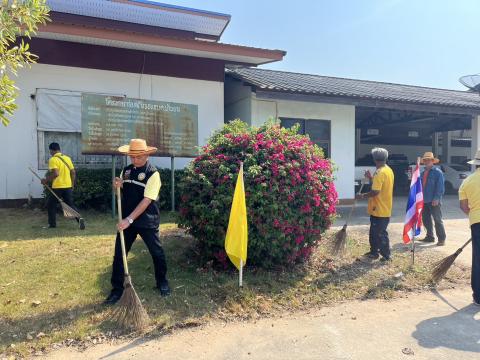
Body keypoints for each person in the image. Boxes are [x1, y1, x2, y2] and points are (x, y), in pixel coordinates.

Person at [104, 139, 170, 305]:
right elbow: (121, 192)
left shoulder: (153, 174)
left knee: (157, 253)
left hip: (146, 220)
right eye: (131, 156)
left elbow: (147, 200)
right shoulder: (126, 171)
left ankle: (162, 282)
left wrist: (129, 219)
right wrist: (117, 186)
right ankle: (117, 291)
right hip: (127, 220)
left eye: (138, 157)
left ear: (147, 154)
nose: (134, 160)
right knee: (119, 255)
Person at [356, 148, 394, 261]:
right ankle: (374, 251)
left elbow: (375, 191)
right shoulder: (388, 170)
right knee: (375, 232)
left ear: (374, 159)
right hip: (384, 207)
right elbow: (379, 186)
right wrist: (371, 178)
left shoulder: (379, 172)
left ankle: (386, 255)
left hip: (379, 208)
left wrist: (362, 196)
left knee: (379, 233)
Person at [41, 142, 85, 230]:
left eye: (50, 151)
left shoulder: (53, 159)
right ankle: (79, 218)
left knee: (51, 205)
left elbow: (56, 173)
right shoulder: (67, 158)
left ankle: (52, 224)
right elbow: (73, 172)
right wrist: (72, 184)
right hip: (68, 186)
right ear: (59, 149)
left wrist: (46, 180)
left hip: (57, 186)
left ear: (51, 150)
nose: (50, 153)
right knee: (70, 205)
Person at [458, 149, 480, 306]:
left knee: (478, 259)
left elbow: (464, 207)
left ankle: (478, 297)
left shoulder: (467, 181)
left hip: (476, 222)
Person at [418, 152, 446, 246]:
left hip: (434, 200)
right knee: (426, 219)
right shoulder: (421, 173)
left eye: (429, 160)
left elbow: (440, 187)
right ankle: (430, 236)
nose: (427, 161)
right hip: (424, 200)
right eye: (425, 160)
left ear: (432, 161)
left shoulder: (438, 172)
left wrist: (437, 198)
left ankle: (441, 239)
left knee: (437, 220)